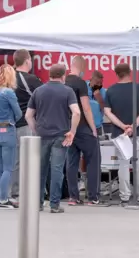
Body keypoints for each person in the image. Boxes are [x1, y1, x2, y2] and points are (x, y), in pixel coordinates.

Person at [25, 64, 80, 213]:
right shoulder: (68, 91)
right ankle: (54, 204)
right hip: (61, 136)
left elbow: (28, 115)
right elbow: (76, 113)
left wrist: (36, 130)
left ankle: (38, 203)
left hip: (42, 135)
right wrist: (72, 132)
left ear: (49, 75)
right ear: (63, 76)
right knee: (57, 169)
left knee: (40, 169)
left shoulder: (38, 91)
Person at [104, 63, 139, 207]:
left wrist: (123, 126)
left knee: (123, 165)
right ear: (130, 72)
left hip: (120, 134)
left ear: (116, 74)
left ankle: (124, 197)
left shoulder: (110, 91)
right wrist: (133, 126)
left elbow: (107, 112)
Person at [65, 56, 102, 206]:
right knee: (93, 160)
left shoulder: (64, 81)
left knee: (71, 162)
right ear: (81, 67)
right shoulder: (81, 83)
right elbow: (86, 108)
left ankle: (73, 197)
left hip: (68, 128)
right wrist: (93, 128)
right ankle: (93, 197)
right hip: (83, 127)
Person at [0, 64, 22, 209]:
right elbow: (19, 113)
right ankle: (3, 199)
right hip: (7, 129)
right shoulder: (8, 92)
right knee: (8, 168)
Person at [11, 49, 42, 201]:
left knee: (15, 159)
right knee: (30, 159)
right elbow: (43, 99)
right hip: (27, 123)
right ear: (27, 60)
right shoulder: (31, 79)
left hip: (11, 124)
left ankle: (15, 191)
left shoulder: (8, 78)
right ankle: (26, 192)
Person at [86, 70, 107, 136]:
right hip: (85, 125)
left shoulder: (103, 91)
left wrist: (98, 97)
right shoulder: (83, 87)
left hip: (97, 126)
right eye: (97, 82)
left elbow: (104, 109)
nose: (99, 85)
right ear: (90, 79)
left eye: (101, 83)